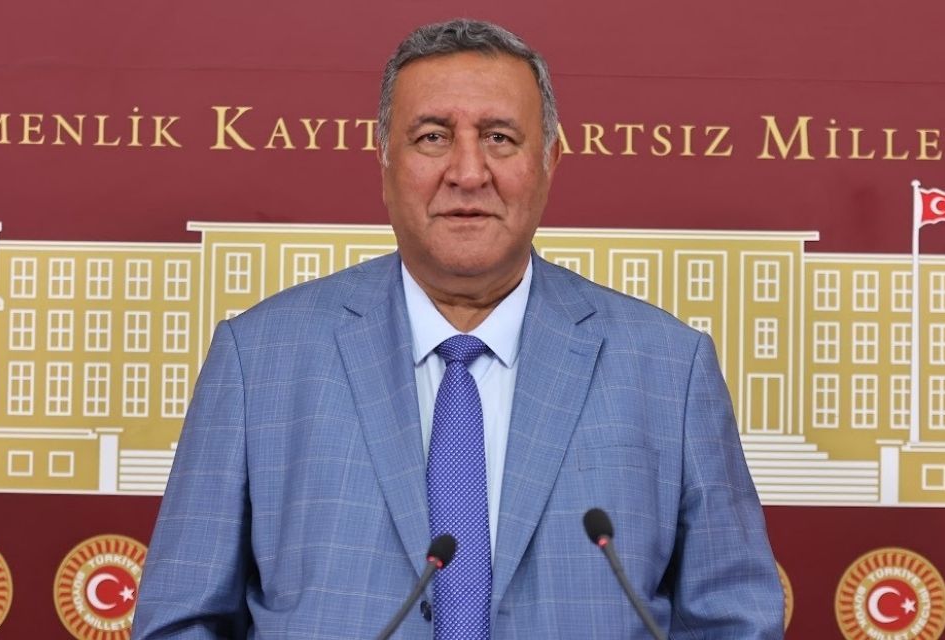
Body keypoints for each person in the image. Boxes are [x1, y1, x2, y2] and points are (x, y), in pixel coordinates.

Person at [132, 18, 782, 639]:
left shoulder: (669, 369)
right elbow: (180, 623)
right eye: (432, 137)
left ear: (550, 160)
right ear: (384, 160)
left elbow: (734, 622)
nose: (468, 173)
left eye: (499, 137)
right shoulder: (258, 361)